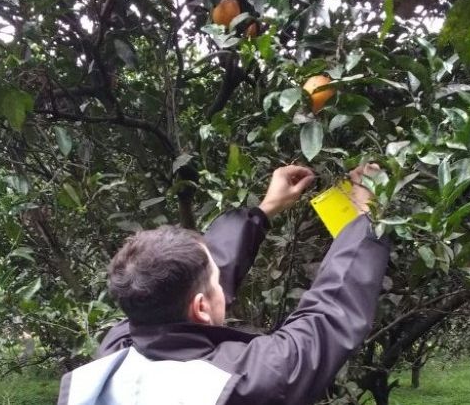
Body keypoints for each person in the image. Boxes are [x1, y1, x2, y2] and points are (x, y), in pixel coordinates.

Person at [58, 163, 391, 405]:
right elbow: (327, 317)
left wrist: (264, 209)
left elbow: (195, 270)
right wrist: (367, 221)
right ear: (202, 307)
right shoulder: (239, 385)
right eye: (216, 282)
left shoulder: (112, 355)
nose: (220, 280)